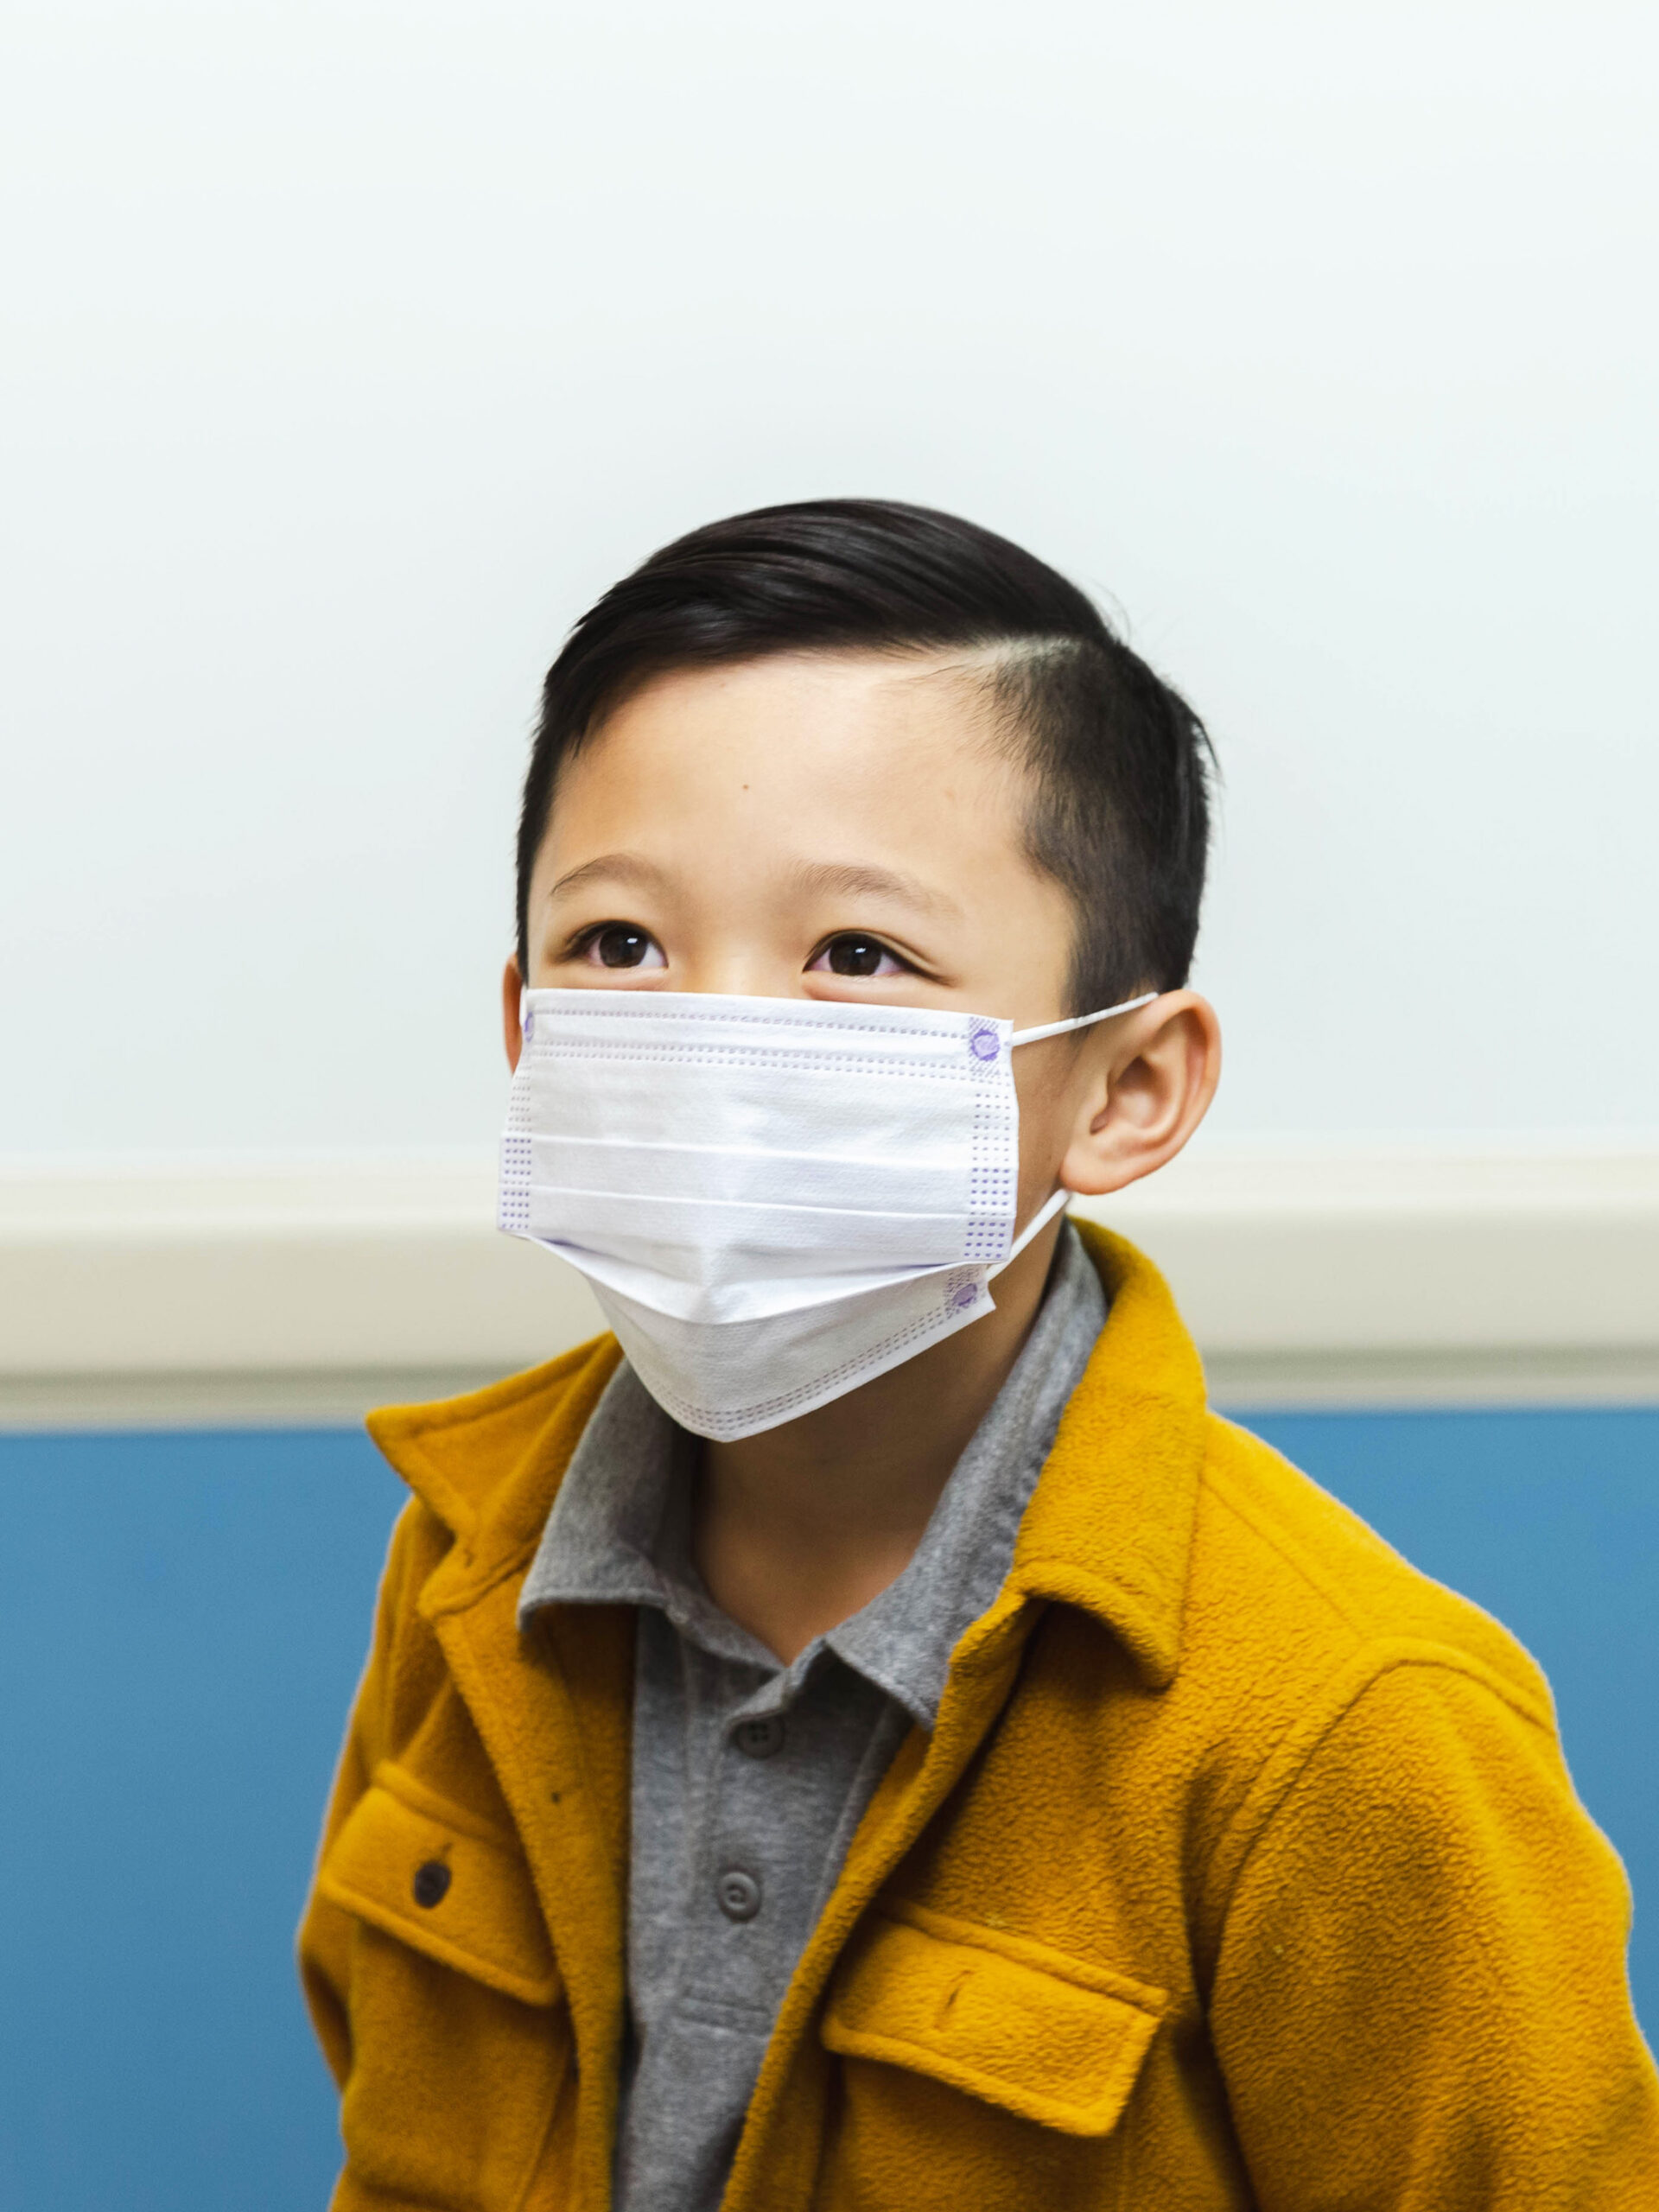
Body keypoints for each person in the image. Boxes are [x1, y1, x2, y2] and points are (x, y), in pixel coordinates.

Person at [298, 499, 1658, 2210]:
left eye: (856, 955)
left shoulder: (1349, 1729)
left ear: (1126, 1086)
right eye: (620, 945)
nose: (721, 1041)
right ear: (525, 1026)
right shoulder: (471, 1563)